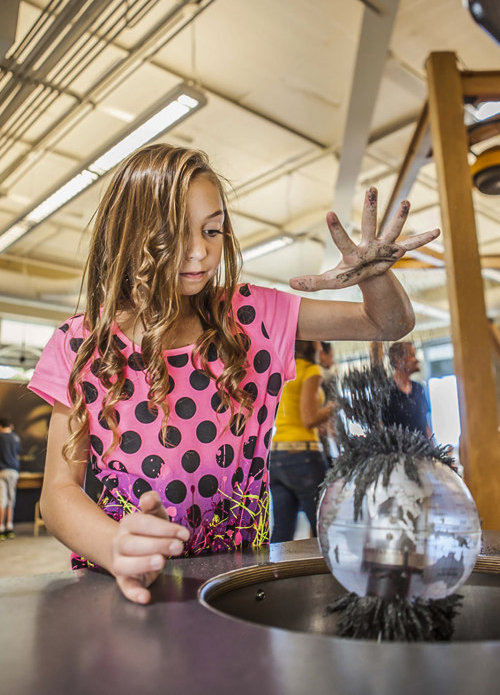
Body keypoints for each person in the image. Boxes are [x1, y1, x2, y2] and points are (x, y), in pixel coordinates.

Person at [27, 144, 439, 604]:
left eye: (212, 230)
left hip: (241, 587)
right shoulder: (81, 344)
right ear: (129, 233)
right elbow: (59, 491)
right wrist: (114, 545)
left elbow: (387, 323)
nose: (200, 252)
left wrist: (375, 276)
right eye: (174, 233)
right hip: (125, 586)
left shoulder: (252, 314)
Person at [270, 340, 332, 542]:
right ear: (312, 346)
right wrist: (335, 406)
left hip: (276, 457)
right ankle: (330, 573)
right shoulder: (311, 369)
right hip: (303, 457)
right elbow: (309, 419)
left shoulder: (282, 368)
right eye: (318, 344)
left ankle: (277, 573)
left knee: (282, 532)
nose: (321, 348)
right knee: (325, 526)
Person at [381, 341, 432, 438]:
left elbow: (426, 426)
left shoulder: (418, 389)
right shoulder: (386, 393)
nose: (416, 360)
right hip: (399, 452)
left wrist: (433, 451)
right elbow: (381, 428)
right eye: (412, 355)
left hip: (423, 451)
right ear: (398, 360)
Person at [0, 417, 21, 540]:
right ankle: (10, 527)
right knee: (11, 499)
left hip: (1, 471)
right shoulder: (16, 438)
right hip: (13, 471)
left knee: (2, 500)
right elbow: (17, 454)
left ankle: (1, 528)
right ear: (11, 426)